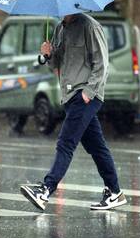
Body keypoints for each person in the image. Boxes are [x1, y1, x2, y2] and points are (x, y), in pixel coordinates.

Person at [19, 13, 127, 211]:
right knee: (96, 147)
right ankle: (114, 192)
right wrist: (48, 54)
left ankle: (45, 190)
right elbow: (56, 65)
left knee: (65, 143)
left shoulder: (90, 26)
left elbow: (102, 64)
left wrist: (89, 92)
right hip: (69, 96)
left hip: (84, 95)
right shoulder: (60, 28)